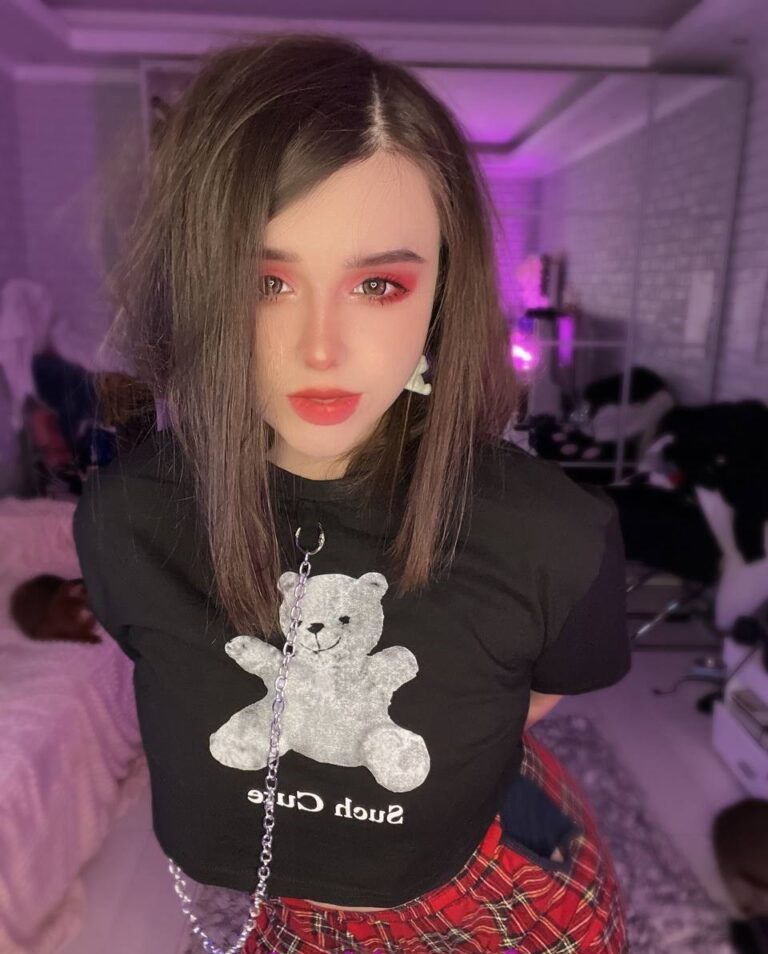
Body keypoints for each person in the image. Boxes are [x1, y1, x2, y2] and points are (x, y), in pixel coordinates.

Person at [72, 33, 632, 954]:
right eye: (266, 280)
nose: (321, 348)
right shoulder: (127, 519)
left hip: (498, 906)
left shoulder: (555, 534)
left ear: (441, 292)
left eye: (377, 283)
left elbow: (536, 695)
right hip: (272, 916)